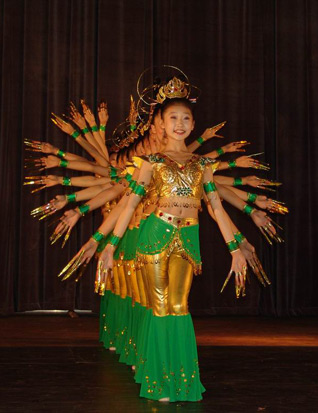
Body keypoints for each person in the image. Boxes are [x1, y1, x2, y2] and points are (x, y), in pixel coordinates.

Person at [97, 91, 248, 402]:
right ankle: (158, 380)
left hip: (189, 237)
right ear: (161, 125)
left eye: (185, 118)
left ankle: (180, 380)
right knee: (161, 306)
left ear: (193, 125)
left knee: (180, 308)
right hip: (154, 234)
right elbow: (128, 206)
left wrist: (235, 248)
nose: (179, 124)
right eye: (173, 118)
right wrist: (110, 245)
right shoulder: (150, 162)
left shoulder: (203, 163)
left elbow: (217, 208)